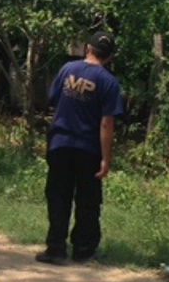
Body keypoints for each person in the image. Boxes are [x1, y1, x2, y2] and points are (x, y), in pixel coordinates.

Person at [36, 31, 124, 265]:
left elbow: (53, 99)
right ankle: (84, 251)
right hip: (88, 149)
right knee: (88, 201)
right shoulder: (109, 82)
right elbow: (106, 122)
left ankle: (55, 248)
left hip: (60, 145)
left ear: (88, 49)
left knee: (58, 197)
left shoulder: (67, 70)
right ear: (109, 57)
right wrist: (106, 158)